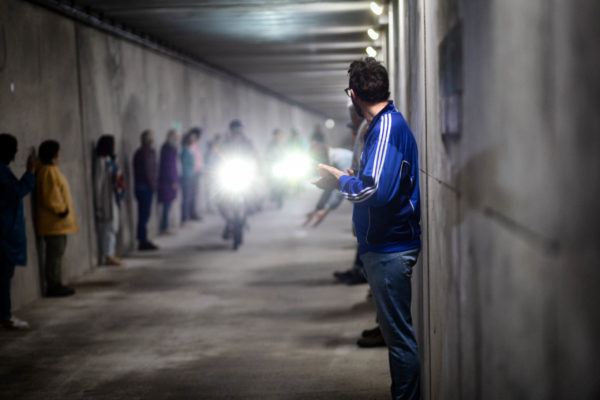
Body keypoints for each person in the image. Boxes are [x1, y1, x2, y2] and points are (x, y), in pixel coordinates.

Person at [315, 57, 422, 400]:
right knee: (395, 337)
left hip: (390, 248)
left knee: (399, 340)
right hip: (384, 245)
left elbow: (372, 189)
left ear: (353, 95)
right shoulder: (383, 126)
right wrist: (341, 183)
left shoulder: (387, 128)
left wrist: (341, 179)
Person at [0, 134, 35, 329]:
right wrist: (30, 172)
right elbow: (16, 191)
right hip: (4, 233)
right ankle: (5, 315)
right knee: (4, 276)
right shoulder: (1, 173)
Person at [36, 140, 78, 297]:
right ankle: (53, 285)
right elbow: (51, 196)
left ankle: (56, 283)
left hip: (56, 223)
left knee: (57, 254)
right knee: (54, 255)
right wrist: (62, 210)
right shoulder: (48, 171)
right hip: (54, 222)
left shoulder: (49, 170)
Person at [93, 135, 124, 266]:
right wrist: (98, 206)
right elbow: (97, 184)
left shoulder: (109, 160)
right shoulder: (100, 161)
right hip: (106, 201)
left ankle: (111, 253)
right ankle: (108, 255)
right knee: (108, 228)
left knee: (114, 227)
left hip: (113, 198)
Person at [133, 130, 159, 251]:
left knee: (143, 215)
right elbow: (149, 171)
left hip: (140, 187)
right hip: (145, 187)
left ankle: (143, 239)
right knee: (144, 215)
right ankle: (142, 241)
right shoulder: (147, 153)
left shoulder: (139, 152)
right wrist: (153, 185)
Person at [158, 129, 179, 233]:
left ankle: (166, 226)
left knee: (168, 205)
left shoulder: (169, 148)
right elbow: (169, 166)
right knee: (167, 205)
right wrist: (173, 181)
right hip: (168, 181)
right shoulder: (168, 149)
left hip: (169, 180)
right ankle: (165, 227)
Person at [180, 132, 196, 224]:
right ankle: (184, 218)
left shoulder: (189, 150)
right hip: (186, 176)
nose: (193, 141)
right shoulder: (185, 150)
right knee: (186, 198)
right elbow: (184, 163)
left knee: (189, 197)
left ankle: (187, 217)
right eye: (192, 139)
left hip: (190, 175)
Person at [188, 127, 204, 221]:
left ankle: (193, 213)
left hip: (197, 172)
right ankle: (192, 214)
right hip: (193, 173)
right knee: (192, 194)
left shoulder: (196, 145)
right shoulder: (192, 145)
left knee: (195, 194)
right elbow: (192, 160)